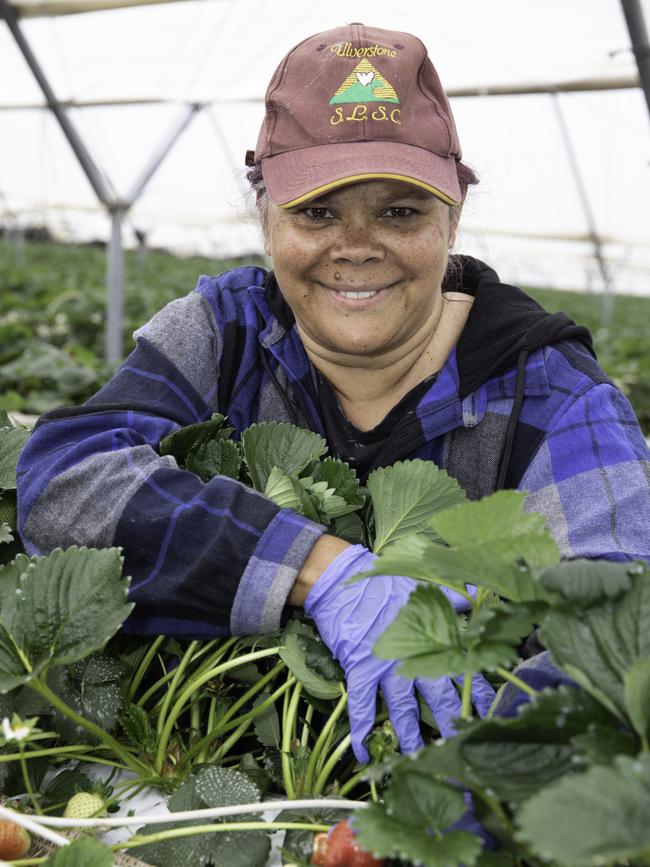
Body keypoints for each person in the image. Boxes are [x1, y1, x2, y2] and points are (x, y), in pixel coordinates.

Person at [16, 23, 650, 764]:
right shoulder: (226, 334)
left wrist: (461, 773)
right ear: (265, 218)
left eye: (399, 212)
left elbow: (620, 629)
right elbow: (64, 481)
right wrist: (312, 565)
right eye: (316, 212)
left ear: (454, 216)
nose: (356, 245)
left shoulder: (550, 391)